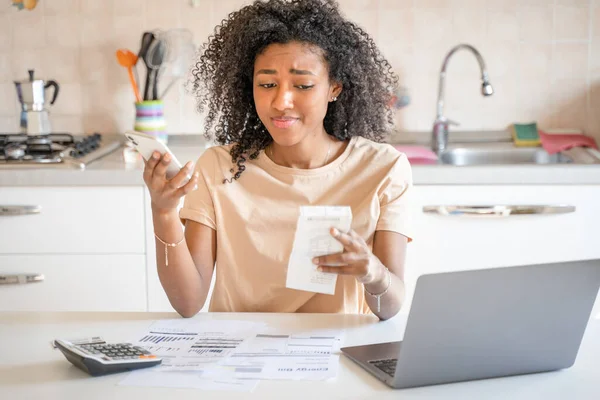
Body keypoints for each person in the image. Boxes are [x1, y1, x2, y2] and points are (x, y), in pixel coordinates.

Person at [143, 0, 413, 320]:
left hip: (332, 352)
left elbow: (389, 309)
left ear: (334, 88)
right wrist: (163, 212)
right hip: (236, 353)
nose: (282, 101)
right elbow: (188, 302)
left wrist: (373, 272)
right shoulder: (218, 168)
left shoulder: (382, 169)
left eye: (303, 85)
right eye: (267, 84)